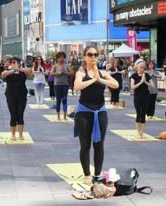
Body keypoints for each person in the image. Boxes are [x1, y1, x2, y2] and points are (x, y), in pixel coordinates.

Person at [74, 46, 118, 185]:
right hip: (84, 113)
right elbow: (77, 86)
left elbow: (115, 84)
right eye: (90, 54)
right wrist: (93, 80)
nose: (93, 57)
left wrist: (100, 80)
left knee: (99, 144)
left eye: (95, 54)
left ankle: (97, 174)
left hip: (100, 112)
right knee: (85, 144)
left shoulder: (103, 72)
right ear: (85, 57)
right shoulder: (81, 72)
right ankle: (87, 174)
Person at [1, 57, 32, 140]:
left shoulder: (23, 72)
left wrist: (19, 69)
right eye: (12, 63)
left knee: (20, 114)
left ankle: (21, 134)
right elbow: (3, 74)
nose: (14, 64)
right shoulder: (8, 71)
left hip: (22, 95)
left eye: (16, 62)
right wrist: (12, 70)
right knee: (13, 115)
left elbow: (30, 72)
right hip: (11, 95)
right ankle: (13, 134)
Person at [130, 59, 155, 138]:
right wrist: (141, 82)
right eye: (140, 67)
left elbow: (153, 86)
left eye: (143, 67)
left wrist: (145, 82)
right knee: (138, 113)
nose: (141, 69)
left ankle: (142, 132)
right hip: (137, 96)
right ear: (137, 68)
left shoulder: (146, 75)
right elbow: (132, 87)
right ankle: (138, 132)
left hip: (146, 96)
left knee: (144, 113)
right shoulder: (134, 76)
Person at [50, 52, 74, 120]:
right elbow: (51, 73)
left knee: (64, 100)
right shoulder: (55, 65)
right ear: (57, 58)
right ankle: (58, 115)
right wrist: (58, 73)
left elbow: (72, 73)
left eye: (63, 57)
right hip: (57, 85)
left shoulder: (66, 65)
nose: (61, 58)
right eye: (60, 57)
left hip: (65, 85)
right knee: (58, 100)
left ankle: (64, 115)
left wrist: (65, 72)